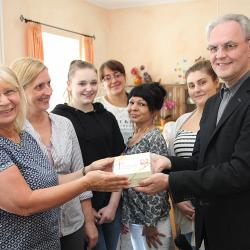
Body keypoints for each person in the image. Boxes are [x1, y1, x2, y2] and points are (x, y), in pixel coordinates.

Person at [135, 13, 250, 250]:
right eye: (213, 48)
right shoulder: (213, 103)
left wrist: (170, 181)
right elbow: (201, 161)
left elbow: (241, 171)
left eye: (230, 46)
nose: (220, 55)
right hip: (211, 225)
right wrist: (166, 161)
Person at [0, 65, 129, 250]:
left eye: (9, 91)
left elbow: (51, 179)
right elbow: (24, 203)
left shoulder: (23, 135)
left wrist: (87, 170)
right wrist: (87, 182)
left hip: (49, 240)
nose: (4, 101)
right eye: (39, 86)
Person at [10, 57, 98, 250]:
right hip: (33, 231)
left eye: (49, 83)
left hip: (72, 222)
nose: (48, 91)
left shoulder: (64, 124)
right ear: (20, 90)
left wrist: (89, 221)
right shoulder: (13, 131)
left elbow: (79, 170)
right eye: (39, 86)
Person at [52, 60, 125, 250]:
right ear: (69, 85)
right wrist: (85, 211)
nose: (89, 88)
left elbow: (119, 160)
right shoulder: (59, 119)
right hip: (77, 205)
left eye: (93, 83)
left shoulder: (107, 117)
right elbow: (63, 170)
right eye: (82, 83)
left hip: (111, 201)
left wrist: (113, 205)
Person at [163, 60, 218, 249]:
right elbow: (170, 163)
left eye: (202, 82)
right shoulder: (181, 120)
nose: (197, 89)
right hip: (184, 206)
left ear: (216, 82)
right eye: (191, 85)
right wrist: (177, 196)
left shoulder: (224, 118)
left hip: (215, 206)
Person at [121, 82, 173, 250]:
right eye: (131, 102)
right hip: (135, 218)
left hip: (152, 223)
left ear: (154, 111)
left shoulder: (154, 138)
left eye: (141, 104)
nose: (133, 108)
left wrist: (150, 224)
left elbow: (158, 185)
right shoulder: (132, 136)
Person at [96, 59, 133, 143]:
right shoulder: (96, 106)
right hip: (109, 155)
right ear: (102, 83)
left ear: (125, 77)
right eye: (107, 78)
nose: (114, 81)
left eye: (117, 75)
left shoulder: (136, 103)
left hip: (137, 154)